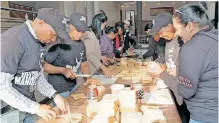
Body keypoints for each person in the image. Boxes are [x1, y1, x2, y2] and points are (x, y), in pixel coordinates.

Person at [0, 8, 70, 123]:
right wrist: (35, 107)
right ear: (41, 22)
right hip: (9, 113)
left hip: (28, 107)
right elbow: (2, 86)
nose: (53, 40)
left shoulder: (40, 42)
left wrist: (54, 95)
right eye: (53, 34)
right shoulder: (14, 40)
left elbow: (35, 76)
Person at [173, 2, 218, 123]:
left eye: (177, 29)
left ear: (190, 26)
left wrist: (165, 75)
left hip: (205, 115)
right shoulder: (214, 38)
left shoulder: (192, 47)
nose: (177, 33)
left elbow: (186, 91)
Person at [43, 13, 102, 101]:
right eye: (78, 31)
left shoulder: (81, 44)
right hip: (59, 89)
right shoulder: (59, 42)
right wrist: (63, 70)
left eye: (82, 32)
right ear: (70, 26)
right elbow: (44, 66)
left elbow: (84, 64)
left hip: (73, 86)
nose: (80, 34)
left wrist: (88, 79)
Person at [146, 13, 189, 123]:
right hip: (175, 91)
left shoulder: (183, 41)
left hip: (187, 97)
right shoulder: (168, 42)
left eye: (160, 32)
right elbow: (168, 63)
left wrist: (161, 80)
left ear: (170, 26)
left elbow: (186, 71)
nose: (159, 36)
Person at [81, 11, 112, 77]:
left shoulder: (93, 34)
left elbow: (92, 51)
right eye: (103, 25)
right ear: (99, 23)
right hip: (89, 69)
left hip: (94, 68)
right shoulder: (89, 35)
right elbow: (89, 55)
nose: (103, 27)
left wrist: (100, 57)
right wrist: (103, 68)